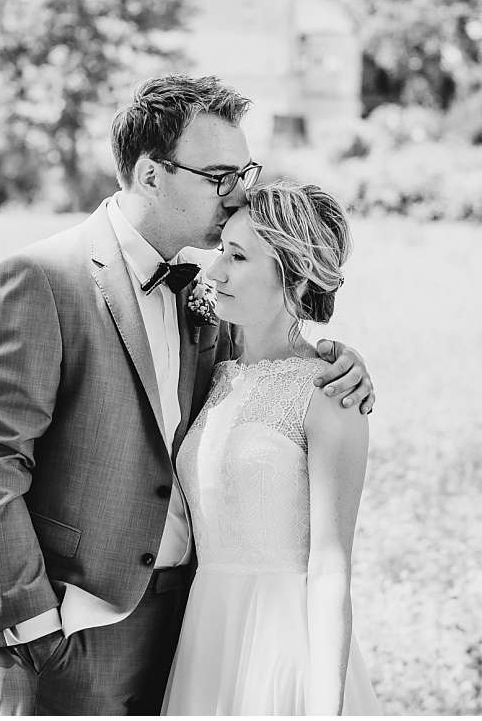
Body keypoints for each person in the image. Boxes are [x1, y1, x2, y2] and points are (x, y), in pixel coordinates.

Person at [0, 76, 374, 717]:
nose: (239, 191)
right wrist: (36, 624)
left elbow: (270, 382)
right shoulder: (43, 278)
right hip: (77, 627)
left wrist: (339, 360)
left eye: (245, 170)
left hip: (197, 625)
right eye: (219, 175)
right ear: (152, 175)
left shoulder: (208, 294)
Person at [162, 181, 379, 716]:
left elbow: (331, 564)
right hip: (207, 635)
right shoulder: (219, 372)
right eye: (221, 251)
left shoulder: (330, 393)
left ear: (297, 275)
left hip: (286, 646)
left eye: (237, 257)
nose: (214, 271)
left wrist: (324, 707)